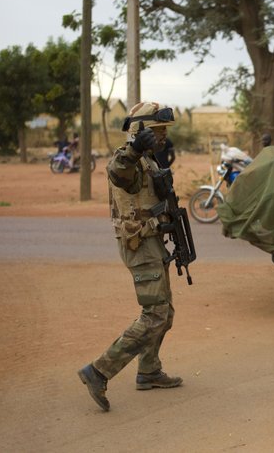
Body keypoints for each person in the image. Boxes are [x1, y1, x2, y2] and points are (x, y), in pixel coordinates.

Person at [77, 101, 183, 411]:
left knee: (166, 312)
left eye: (164, 131)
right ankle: (98, 370)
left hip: (151, 241)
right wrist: (134, 149)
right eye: (157, 130)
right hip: (139, 243)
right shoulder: (130, 158)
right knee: (155, 314)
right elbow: (117, 172)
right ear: (141, 132)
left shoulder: (149, 160)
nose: (163, 136)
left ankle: (149, 371)